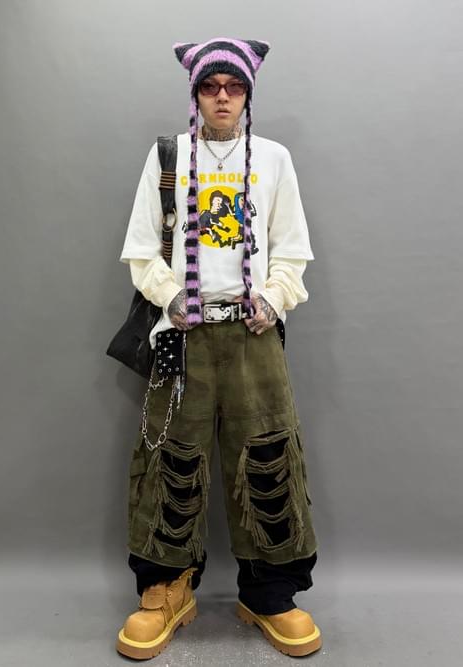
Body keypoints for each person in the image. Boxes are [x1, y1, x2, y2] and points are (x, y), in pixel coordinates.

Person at [115, 37, 322, 660]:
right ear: (196, 95)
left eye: (234, 87)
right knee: (171, 456)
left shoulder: (275, 160)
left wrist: (274, 298)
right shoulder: (169, 157)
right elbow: (141, 249)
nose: (223, 97)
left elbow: (292, 248)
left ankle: (269, 593)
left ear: (248, 94)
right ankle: (165, 588)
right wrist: (170, 296)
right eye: (211, 87)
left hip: (253, 334)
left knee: (265, 453)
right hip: (183, 336)